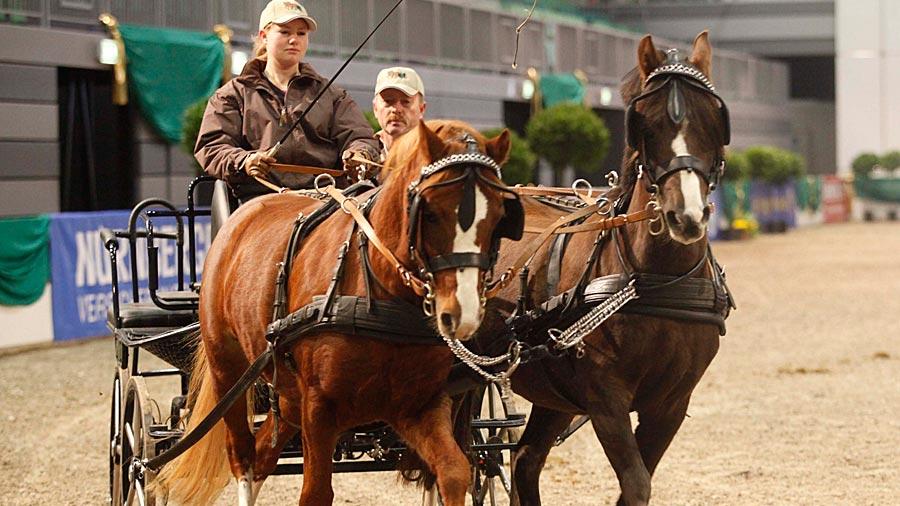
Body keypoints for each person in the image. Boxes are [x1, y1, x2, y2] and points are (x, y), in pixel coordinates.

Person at [196, 0, 379, 202]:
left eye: (301, 33)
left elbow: (360, 137)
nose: (294, 39)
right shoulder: (232, 94)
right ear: (264, 37)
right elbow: (212, 146)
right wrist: (244, 160)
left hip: (326, 199)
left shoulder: (333, 95)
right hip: (260, 199)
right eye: (285, 32)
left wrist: (360, 154)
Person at [372, 66, 427, 159]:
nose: (396, 109)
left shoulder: (436, 156)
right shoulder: (361, 155)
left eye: (405, 102)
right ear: (375, 108)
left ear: (421, 109)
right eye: (388, 101)